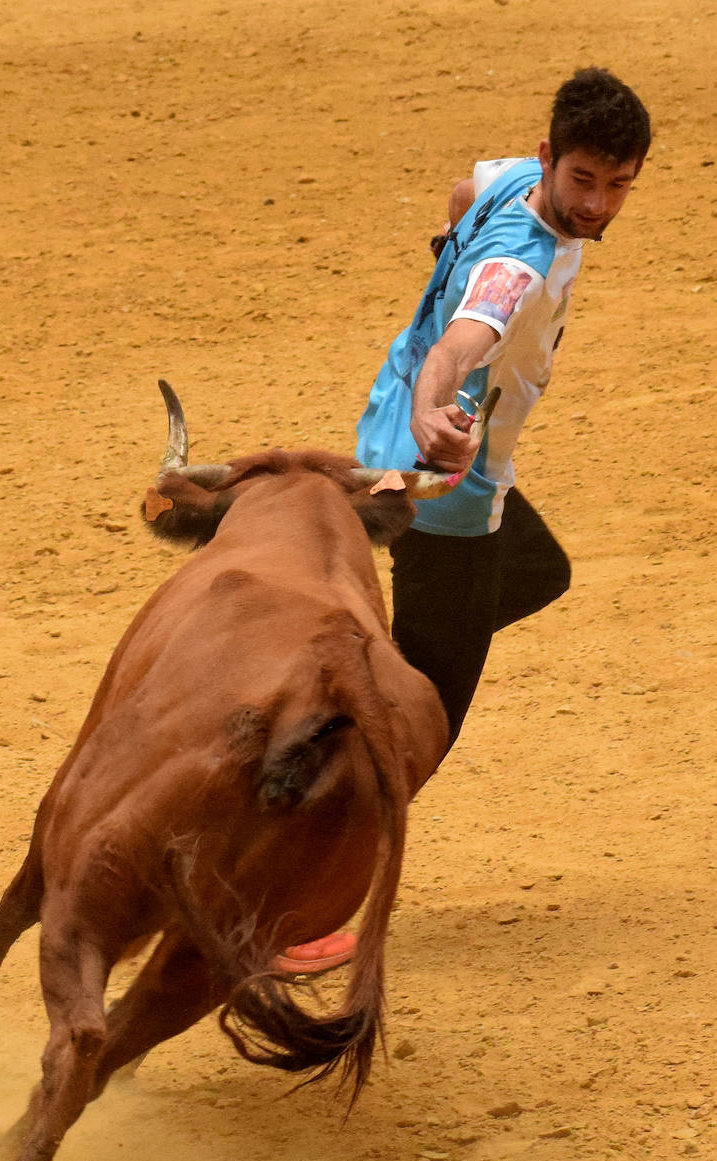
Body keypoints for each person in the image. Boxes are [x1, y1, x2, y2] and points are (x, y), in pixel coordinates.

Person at [277, 67, 651, 975]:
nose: (597, 204)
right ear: (549, 158)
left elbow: (464, 189)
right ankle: (282, 905)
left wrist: (444, 246)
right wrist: (433, 410)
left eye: (617, 184)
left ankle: (351, 687)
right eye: (583, 182)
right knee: (419, 732)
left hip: (400, 435)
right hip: (447, 491)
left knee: (540, 572)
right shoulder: (519, 267)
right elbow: (464, 338)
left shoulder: (507, 179)